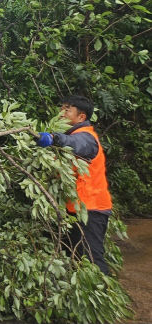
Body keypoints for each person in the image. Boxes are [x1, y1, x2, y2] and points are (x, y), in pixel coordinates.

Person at [37, 95, 112, 275]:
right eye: (61, 108)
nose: (61, 113)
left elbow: (74, 144)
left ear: (81, 117)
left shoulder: (86, 138)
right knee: (73, 255)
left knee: (91, 258)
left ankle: (103, 291)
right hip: (74, 209)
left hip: (91, 210)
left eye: (67, 109)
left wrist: (54, 138)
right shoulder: (71, 135)